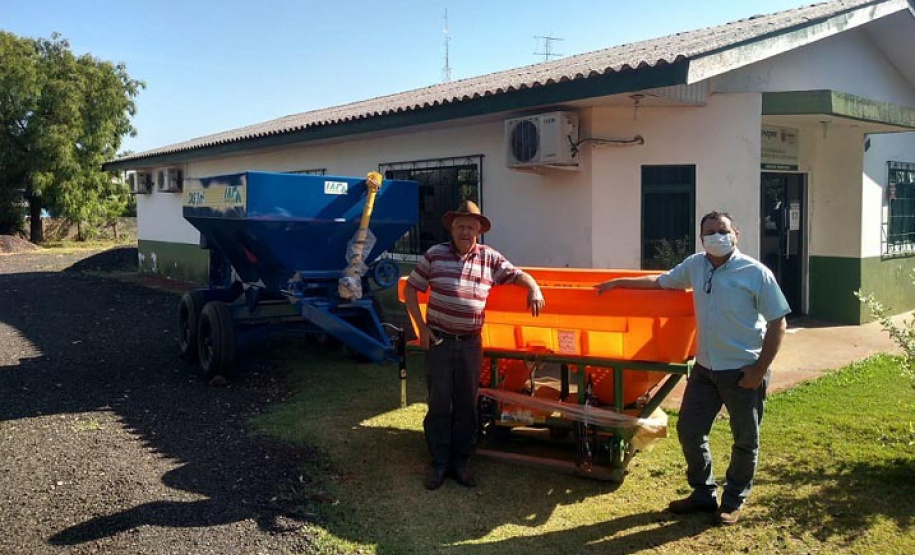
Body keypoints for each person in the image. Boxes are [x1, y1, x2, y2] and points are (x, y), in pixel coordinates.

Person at [594, 211, 789, 525]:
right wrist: (619, 282)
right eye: (709, 232)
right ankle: (703, 492)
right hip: (705, 369)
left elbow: (778, 322)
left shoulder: (756, 273)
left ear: (736, 234)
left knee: (745, 438)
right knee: (689, 430)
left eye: (722, 230)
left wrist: (758, 370)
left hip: (743, 371)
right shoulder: (696, 265)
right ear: (701, 239)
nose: (716, 237)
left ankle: (733, 500)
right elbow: (660, 282)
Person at [404, 200, 545, 491]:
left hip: (470, 344)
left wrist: (534, 288)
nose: (465, 231)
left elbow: (518, 274)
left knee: (467, 403)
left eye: (471, 227)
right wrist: (422, 328)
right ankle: (439, 462)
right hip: (439, 341)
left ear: (479, 231)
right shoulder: (434, 255)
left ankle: (461, 461)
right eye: (460, 226)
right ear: (452, 229)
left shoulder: (489, 259)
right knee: (440, 401)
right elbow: (410, 288)